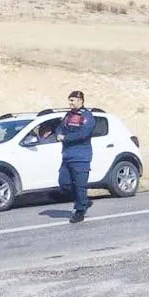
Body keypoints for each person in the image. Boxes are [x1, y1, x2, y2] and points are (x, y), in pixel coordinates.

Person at [57, 90, 96, 222]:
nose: (70, 103)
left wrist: (65, 138)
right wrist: (58, 133)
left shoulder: (87, 116)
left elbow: (83, 134)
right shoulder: (68, 115)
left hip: (81, 156)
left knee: (80, 185)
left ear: (80, 101)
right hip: (67, 156)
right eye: (70, 100)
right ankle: (83, 200)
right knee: (64, 183)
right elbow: (60, 127)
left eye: (72, 100)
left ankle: (80, 211)